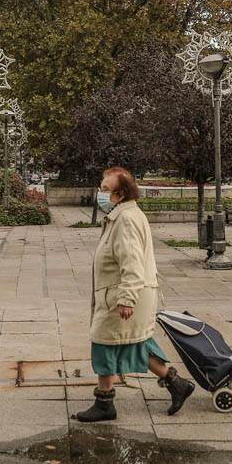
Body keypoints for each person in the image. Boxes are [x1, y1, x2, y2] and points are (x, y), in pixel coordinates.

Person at [74, 166, 195, 422]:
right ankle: (176, 383)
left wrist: (126, 298)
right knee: (137, 343)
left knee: (103, 344)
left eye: (105, 190)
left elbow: (132, 263)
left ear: (120, 193)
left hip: (125, 294)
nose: (100, 193)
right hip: (128, 292)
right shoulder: (123, 215)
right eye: (101, 188)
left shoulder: (126, 219)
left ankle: (104, 402)